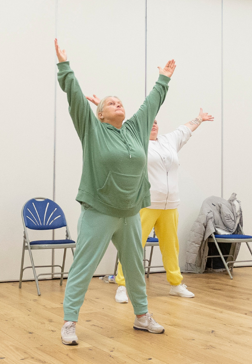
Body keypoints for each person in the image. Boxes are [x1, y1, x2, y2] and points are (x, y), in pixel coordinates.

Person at [54, 39, 173, 346]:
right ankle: (69, 322)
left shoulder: (135, 129)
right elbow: (75, 100)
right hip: (99, 210)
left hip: (131, 212)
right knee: (84, 265)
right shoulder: (92, 130)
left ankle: (142, 316)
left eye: (120, 101)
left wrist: (163, 79)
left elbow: (151, 104)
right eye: (110, 102)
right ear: (101, 114)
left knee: (134, 267)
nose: (118, 103)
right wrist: (65, 67)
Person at [86, 96, 213, 304]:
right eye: (149, 122)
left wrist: (199, 118)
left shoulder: (169, 140)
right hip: (146, 204)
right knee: (133, 246)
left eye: (156, 122)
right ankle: (122, 285)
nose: (153, 124)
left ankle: (175, 284)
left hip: (170, 204)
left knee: (171, 246)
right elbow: (116, 124)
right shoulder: (133, 141)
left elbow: (186, 129)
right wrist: (101, 103)